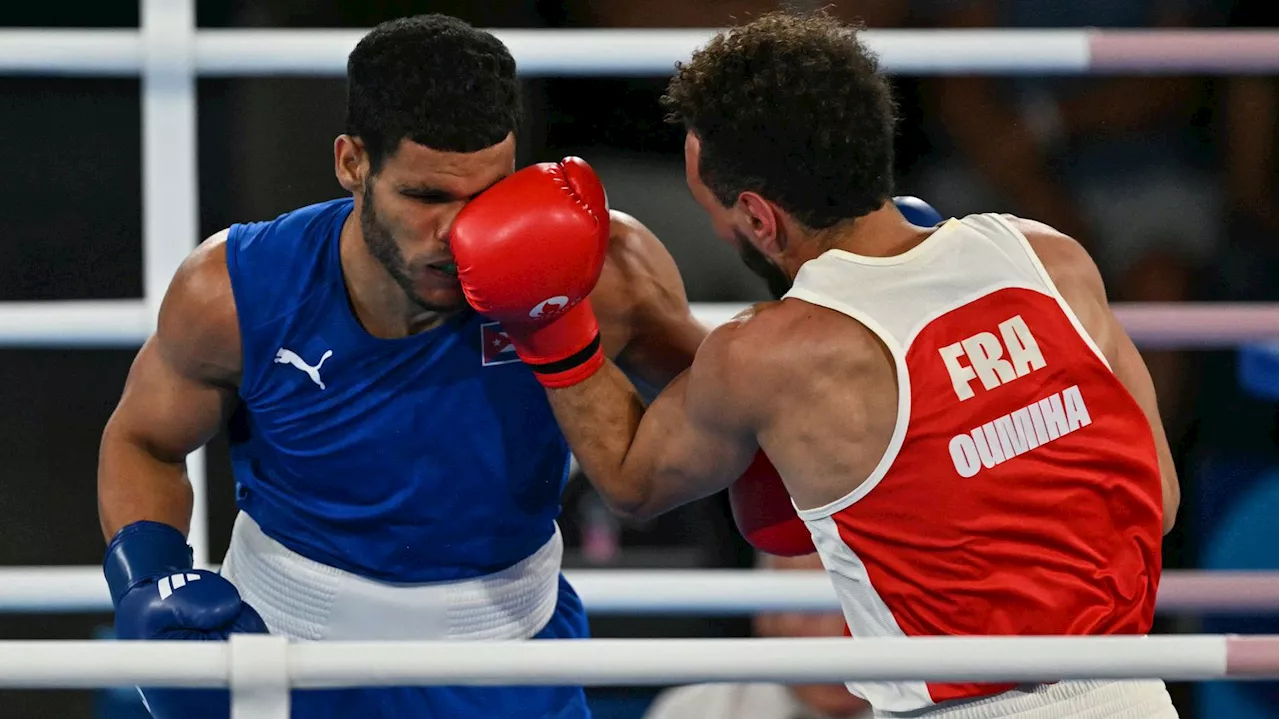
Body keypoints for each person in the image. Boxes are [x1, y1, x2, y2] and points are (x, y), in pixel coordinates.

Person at [454, 10, 1181, 718]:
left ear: (761, 217)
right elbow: (1159, 496)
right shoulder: (1049, 257)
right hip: (1140, 695)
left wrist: (551, 323)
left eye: (711, 202)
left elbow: (631, 480)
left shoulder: (768, 356)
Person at [94, 14, 754, 719]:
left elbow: (727, 404)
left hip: (513, 657)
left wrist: (567, 331)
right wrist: (148, 576)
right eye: (426, 197)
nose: (457, 234)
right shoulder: (234, 291)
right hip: (289, 651)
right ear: (352, 162)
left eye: (484, 197)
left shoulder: (606, 269)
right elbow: (143, 440)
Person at [643, 552, 873, 719]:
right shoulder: (696, 711)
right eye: (810, 609)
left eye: (859, 610)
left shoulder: (909, 703)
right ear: (765, 617)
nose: (833, 634)